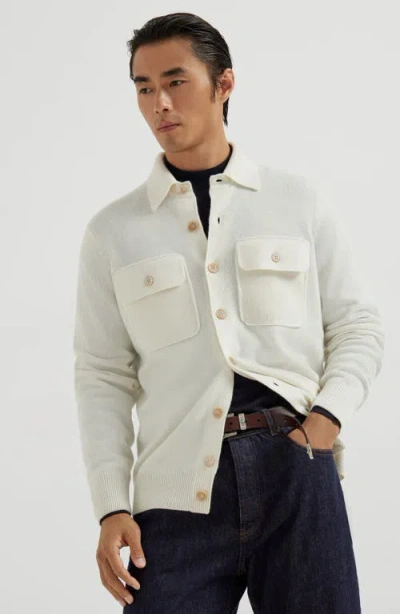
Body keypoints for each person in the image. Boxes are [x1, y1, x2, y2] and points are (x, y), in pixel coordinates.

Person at [73, 12, 385, 613]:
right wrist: (111, 505)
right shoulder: (113, 232)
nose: (160, 103)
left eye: (175, 81)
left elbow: (357, 326)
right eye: (143, 88)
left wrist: (323, 423)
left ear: (224, 84)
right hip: (174, 496)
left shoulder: (298, 201)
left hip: (295, 469)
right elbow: (102, 375)